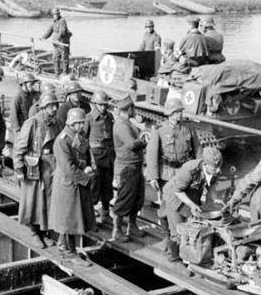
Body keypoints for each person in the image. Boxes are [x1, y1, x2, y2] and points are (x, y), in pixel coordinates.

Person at [146, 98, 195, 254]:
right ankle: (168, 237)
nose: (180, 114)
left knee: (181, 207)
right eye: (177, 112)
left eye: (181, 111)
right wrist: (153, 176)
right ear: (170, 113)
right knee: (166, 207)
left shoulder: (188, 130)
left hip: (183, 174)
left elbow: (196, 152)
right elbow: (152, 154)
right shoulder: (159, 130)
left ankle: (179, 239)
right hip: (166, 175)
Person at [13, 92, 62, 248]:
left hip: (51, 169)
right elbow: (19, 148)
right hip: (34, 169)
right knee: (32, 203)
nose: (54, 108)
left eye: (56, 105)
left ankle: (44, 233)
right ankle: (35, 233)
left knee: (47, 203)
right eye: (51, 106)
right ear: (43, 107)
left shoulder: (56, 123)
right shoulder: (32, 123)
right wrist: (19, 170)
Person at [49, 108, 96, 267]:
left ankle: (63, 245)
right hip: (67, 185)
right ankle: (70, 253)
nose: (82, 126)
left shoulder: (76, 136)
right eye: (80, 123)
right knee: (69, 219)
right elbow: (68, 168)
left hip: (74, 183)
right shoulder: (62, 141)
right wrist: (86, 177)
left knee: (69, 218)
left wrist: (87, 167)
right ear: (72, 123)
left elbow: (82, 156)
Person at [163, 146, 223, 262]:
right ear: (205, 164)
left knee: (193, 228)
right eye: (214, 167)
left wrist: (215, 199)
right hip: (175, 198)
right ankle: (173, 259)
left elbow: (211, 185)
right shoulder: (190, 169)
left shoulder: (215, 169)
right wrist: (191, 205)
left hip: (192, 198)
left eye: (219, 166)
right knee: (178, 230)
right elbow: (178, 191)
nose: (218, 170)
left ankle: (191, 257)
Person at [111, 95, 148, 242]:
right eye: (133, 108)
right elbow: (132, 144)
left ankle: (132, 226)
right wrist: (144, 140)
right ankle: (117, 231)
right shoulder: (121, 125)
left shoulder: (127, 123)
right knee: (124, 199)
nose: (135, 110)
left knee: (137, 198)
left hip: (135, 165)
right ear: (129, 109)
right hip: (126, 168)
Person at [83, 90, 115, 224]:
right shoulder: (89, 118)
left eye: (105, 105)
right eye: (101, 105)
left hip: (108, 155)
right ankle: (90, 216)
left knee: (107, 185)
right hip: (95, 156)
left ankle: (105, 213)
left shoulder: (109, 117)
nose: (103, 107)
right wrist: (87, 161)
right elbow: (83, 140)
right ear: (95, 104)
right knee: (95, 186)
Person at [9, 73, 40, 144]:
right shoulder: (17, 96)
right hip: (21, 127)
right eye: (31, 84)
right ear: (24, 84)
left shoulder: (32, 94)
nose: (32, 87)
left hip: (29, 126)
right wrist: (17, 130)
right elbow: (13, 115)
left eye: (33, 84)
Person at [41, 7, 72, 76]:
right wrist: (43, 37)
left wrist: (57, 39)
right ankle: (57, 73)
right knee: (55, 58)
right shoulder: (53, 22)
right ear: (53, 15)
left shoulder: (62, 20)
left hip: (63, 43)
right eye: (55, 14)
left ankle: (65, 73)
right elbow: (49, 31)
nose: (56, 15)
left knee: (64, 58)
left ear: (59, 14)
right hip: (56, 44)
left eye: (57, 14)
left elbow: (62, 31)